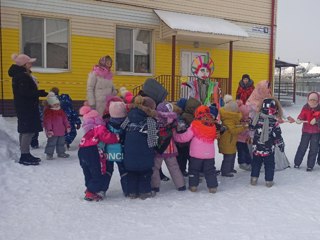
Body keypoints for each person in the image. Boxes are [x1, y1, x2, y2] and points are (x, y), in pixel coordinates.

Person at [8, 53, 48, 165]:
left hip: (25, 106)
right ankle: (24, 155)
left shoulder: (21, 74)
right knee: (28, 130)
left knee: (25, 130)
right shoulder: (21, 76)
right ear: (25, 64)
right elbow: (25, 93)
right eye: (30, 62)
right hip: (26, 107)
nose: (31, 64)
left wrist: (39, 92)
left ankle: (25, 153)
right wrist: (39, 93)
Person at [78, 103, 119, 201]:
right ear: (97, 120)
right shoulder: (99, 128)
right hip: (93, 151)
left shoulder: (88, 132)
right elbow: (107, 137)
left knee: (87, 171)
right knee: (98, 172)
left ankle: (89, 187)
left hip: (82, 151)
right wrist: (116, 137)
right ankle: (91, 192)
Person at [174, 105, 218, 193]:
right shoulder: (212, 124)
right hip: (209, 154)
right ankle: (212, 187)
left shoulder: (195, 124)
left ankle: (193, 186)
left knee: (194, 170)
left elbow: (186, 137)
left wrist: (175, 136)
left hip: (196, 154)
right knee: (210, 171)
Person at [121, 96, 158, 200]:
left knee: (131, 172)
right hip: (144, 152)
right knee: (145, 173)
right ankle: (144, 192)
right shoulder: (150, 121)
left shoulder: (129, 117)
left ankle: (132, 192)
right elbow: (152, 141)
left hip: (129, 151)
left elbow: (122, 130)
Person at [151, 101, 186, 193]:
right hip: (170, 146)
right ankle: (181, 185)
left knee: (155, 167)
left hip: (158, 146)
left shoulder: (155, 119)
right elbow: (179, 130)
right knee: (174, 166)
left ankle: (155, 186)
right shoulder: (174, 119)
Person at [250, 98, 285, 187]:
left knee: (256, 163)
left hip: (257, 147)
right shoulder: (274, 121)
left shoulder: (257, 117)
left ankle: (254, 178)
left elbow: (251, 127)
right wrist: (281, 144)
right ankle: (269, 181)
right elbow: (277, 135)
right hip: (268, 148)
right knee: (269, 164)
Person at [103, 101, 128, 197]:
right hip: (121, 151)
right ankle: (127, 190)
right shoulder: (126, 124)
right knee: (124, 171)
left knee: (107, 170)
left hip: (109, 151)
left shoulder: (106, 123)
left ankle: (102, 189)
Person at [218, 98, 248, 177]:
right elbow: (233, 130)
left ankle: (230, 168)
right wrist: (243, 127)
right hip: (227, 141)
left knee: (232, 155)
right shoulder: (228, 119)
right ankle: (225, 171)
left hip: (230, 141)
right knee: (228, 157)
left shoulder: (231, 117)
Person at [293, 92, 320, 171]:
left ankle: (310, 165)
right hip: (306, 131)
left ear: (317, 100)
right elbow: (302, 115)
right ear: (308, 100)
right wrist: (299, 119)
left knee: (313, 149)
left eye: (314, 100)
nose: (312, 101)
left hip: (316, 132)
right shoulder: (305, 107)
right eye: (311, 99)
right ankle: (297, 163)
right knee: (302, 147)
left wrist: (317, 120)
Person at [43, 92, 71, 160]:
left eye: (58, 104)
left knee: (61, 143)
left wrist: (67, 126)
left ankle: (61, 153)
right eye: (55, 104)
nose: (57, 105)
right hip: (53, 132)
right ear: (51, 105)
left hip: (61, 130)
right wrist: (49, 130)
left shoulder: (61, 111)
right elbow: (48, 122)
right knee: (51, 143)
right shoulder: (49, 112)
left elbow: (65, 119)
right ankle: (49, 154)